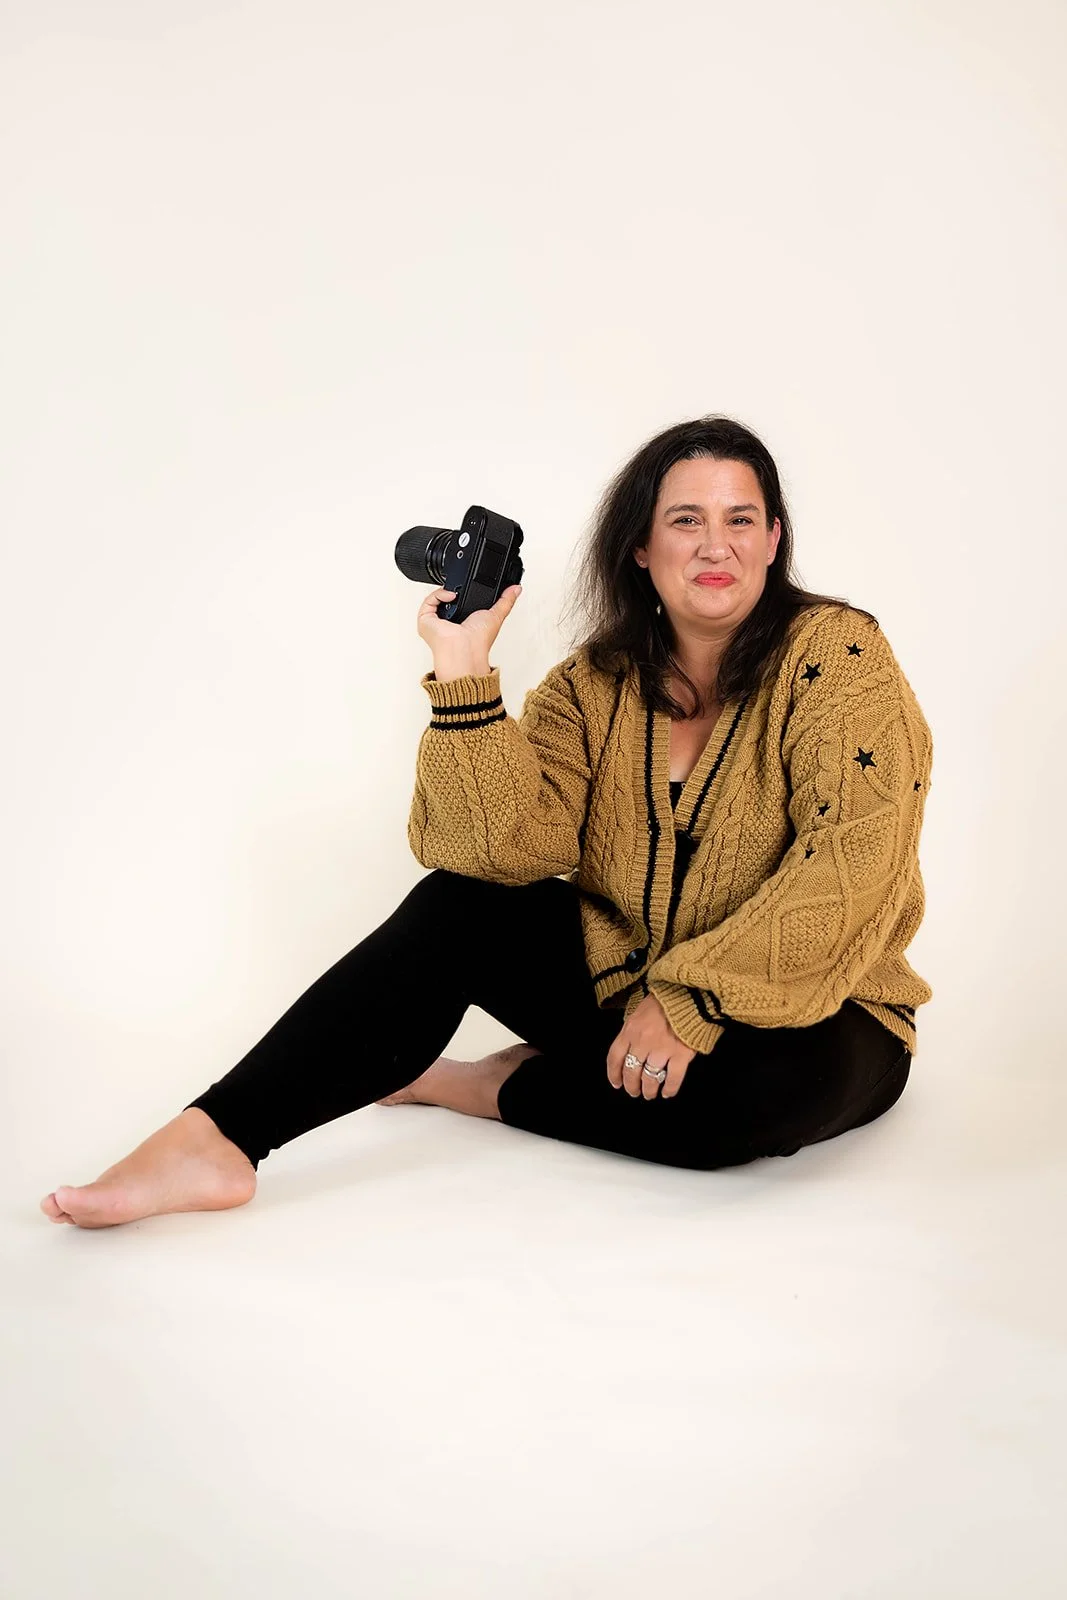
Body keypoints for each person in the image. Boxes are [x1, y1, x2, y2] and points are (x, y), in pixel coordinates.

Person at [40, 415, 933, 1229]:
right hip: (634, 990)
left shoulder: (839, 658)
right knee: (455, 908)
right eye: (685, 520)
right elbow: (492, 852)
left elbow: (852, 863)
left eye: (741, 519)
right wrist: (463, 670)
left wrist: (689, 1000)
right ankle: (218, 1141)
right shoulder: (599, 683)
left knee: (738, 1115)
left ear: (774, 540)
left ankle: (483, 1087)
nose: (716, 545)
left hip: (825, 1009)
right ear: (639, 548)